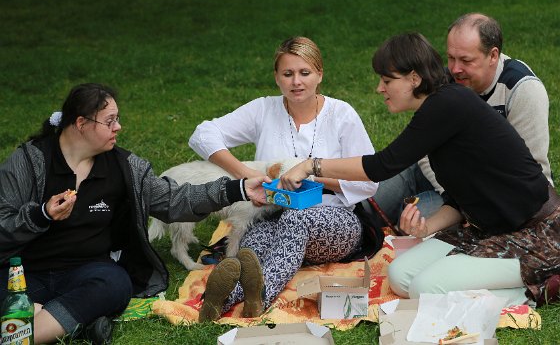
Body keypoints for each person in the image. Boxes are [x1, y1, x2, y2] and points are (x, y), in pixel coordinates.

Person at [280, 33, 560, 307]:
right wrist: (428, 227)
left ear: (414, 78)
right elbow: (460, 198)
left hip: (538, 235)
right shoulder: (440, 107)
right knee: (400, 277)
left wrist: (311, 165)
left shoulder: (448, 103)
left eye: (387, 80)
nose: (380, 88)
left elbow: (382, 166)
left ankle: (538, 289)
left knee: (426, 289)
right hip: (486, 228)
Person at [0, 83, 269, 344]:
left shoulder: (124, 167)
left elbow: (174, 199)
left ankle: (21, 331)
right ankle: (70, 323)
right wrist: (41, 215)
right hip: (23, 271)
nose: (118, 127)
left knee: (115, 284)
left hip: (86, 270)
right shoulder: (29, 161)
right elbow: (3, 222)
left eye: (118, 119)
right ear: (81, 124)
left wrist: (238, 189)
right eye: (110, 121)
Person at [188, 36, 379, 321]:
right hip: (272, 215)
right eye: (287, 74)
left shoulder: (341, 115)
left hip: (336, 221)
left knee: (295, 220)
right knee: (253, 244)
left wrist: (312, 175)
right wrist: (247, 174)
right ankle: (222, 297)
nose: (296, 82)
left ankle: (258, 295)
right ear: (277, 77)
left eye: (305, 73)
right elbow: (202, 135)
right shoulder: (264, 109)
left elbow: (369, 180)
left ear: (320, 75)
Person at [370, 13, 553, 227]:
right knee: (371, 203)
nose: (454, 69)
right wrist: (448, 190)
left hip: (480, 194)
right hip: (438, 177)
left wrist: (459, 203)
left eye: (466, 60)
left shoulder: (522, 90)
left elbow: (530, 169)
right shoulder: (445, 80)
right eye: (450, 58)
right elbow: (422, 151)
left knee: (416, 228)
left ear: (493, 55)